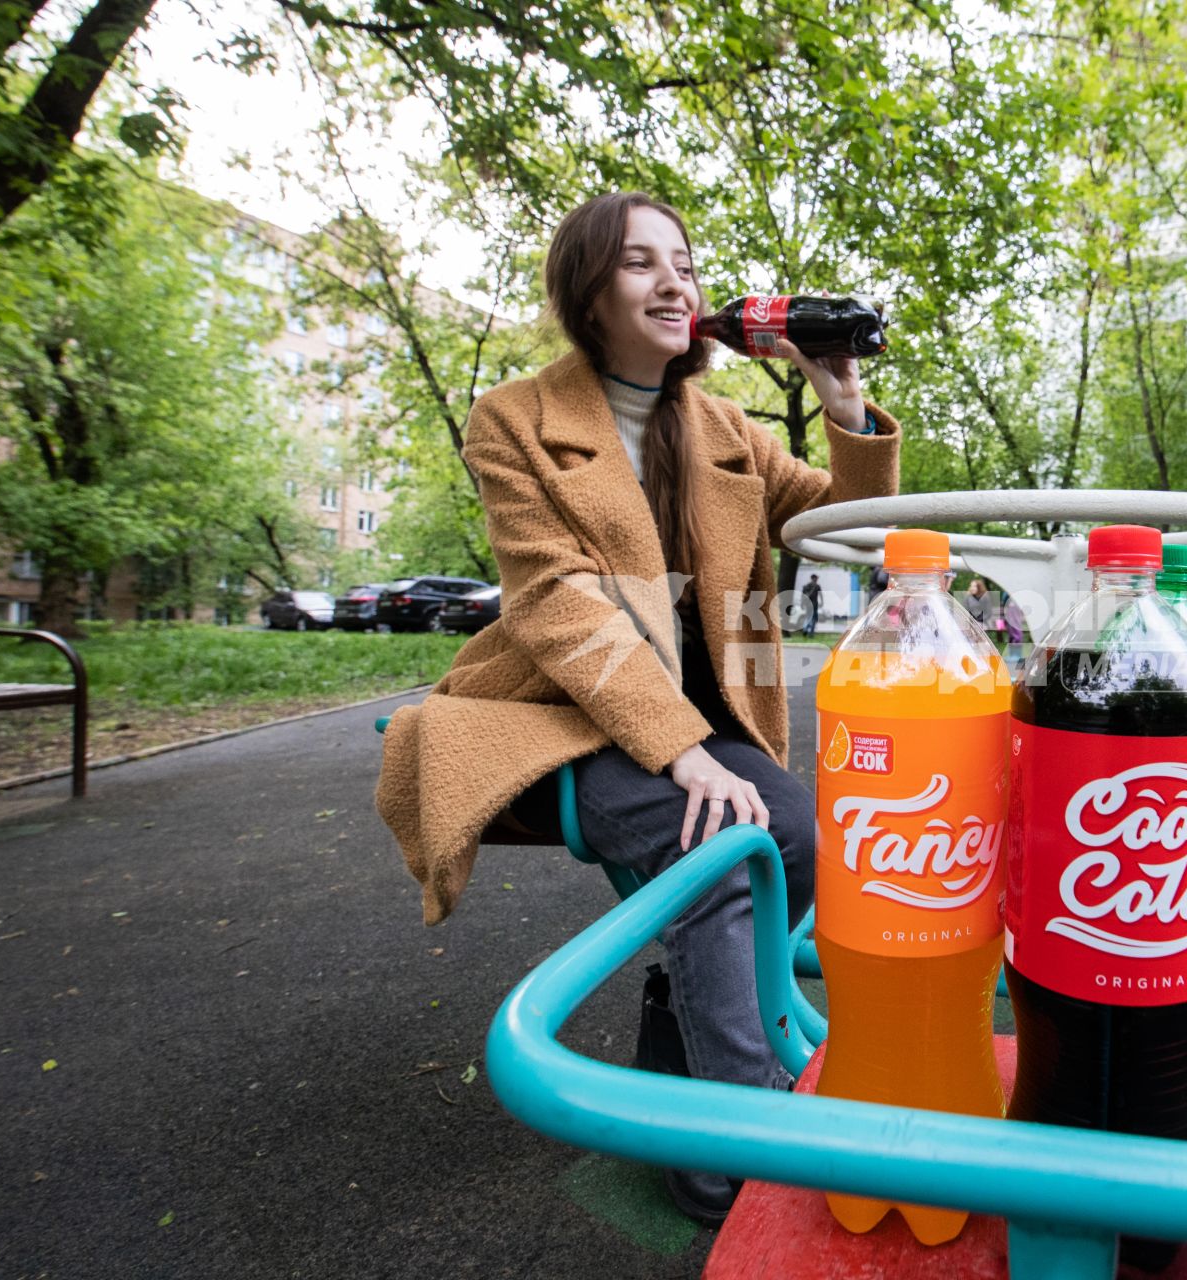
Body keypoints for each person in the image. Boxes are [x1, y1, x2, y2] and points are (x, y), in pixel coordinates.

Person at [373, 192, 901, 1225]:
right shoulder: (516, 418)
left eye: (687, 264)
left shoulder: (725, 428)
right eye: (639, 263)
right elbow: (557, 602)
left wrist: (841, 400)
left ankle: (682, 1020)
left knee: (793, 829)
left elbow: (847, 524)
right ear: (588, 289)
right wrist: (682, 750)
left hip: (696, 713)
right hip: (560, 707)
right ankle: (733, 1149)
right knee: (709, 839)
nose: (674, 283)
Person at [801, 573, 823, 638]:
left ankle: (805, 629)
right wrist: (822, 602)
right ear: (814, 578)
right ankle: (811, 633)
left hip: (808, 604)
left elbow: (803, 596)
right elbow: (820, 595)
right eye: (816, 578)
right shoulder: (817, 586)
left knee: (808, 617)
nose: (817, 579)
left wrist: (802, 604)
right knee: (814, 619)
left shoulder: (806, 586)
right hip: (814, 604)